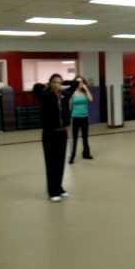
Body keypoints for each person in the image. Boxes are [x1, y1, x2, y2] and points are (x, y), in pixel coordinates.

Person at [33, 74, 78, 202]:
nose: (58, 85)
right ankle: (52, 191)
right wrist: (48, 86)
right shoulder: (45, 96)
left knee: (60, 162)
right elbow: (36, 87)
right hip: (49, 133)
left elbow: (75, 83)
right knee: (51, 163)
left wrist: (63, 85)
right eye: (55, 82)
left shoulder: (65, 95)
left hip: (62, 133)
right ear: (50, 83)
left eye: (59, 82)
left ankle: (59, 187)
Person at [69, 76, 94, 164]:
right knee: (75, 138)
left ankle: (86, 154)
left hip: (85, 117)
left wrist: (86, 89)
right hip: (75, 118)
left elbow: (91, 99)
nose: (80, 84)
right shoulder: (72, 93)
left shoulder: (84, 92)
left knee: (85, 137)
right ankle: (72, 156)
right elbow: (70, 106)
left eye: (81, 82)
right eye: (78, 82)